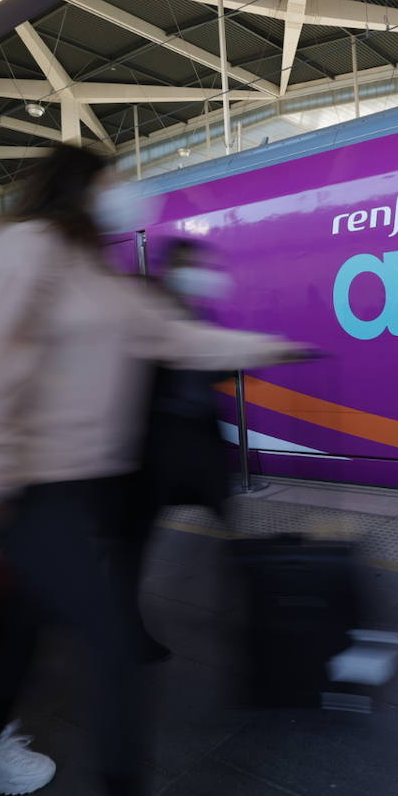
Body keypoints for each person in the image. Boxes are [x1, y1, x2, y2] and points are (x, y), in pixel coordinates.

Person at [0, 144, 313, 796]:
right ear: (81, 187)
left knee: (22, 628)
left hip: (86, 489)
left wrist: (272, 348)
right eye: (112, 179)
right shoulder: (23, 252)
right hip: (31, 489)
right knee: (112, 646)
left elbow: (175, 338)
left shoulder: (98, 275)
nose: (125, 191)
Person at [121, 239, 236, 663]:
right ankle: (125, 627)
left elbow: (214, 368)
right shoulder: (151, 310)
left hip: (200, 441)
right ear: (172, 269)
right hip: (157, 444)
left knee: (230, 524)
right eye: (191, 265)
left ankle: (246, 608)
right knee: (137, 540)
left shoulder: (200, 312)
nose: (201, 272)